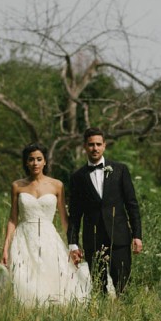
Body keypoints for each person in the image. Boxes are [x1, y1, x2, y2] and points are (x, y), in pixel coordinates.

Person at [1, 143, 91, 306]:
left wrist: (73, 246)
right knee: (24, 276)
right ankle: (25, 311)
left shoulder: (57, 185)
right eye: (31, 160)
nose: (35, 163)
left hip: (49, 237)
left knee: (53, 274)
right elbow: (13, 219)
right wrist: (6, 247)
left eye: (39, 159)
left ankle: (50, 307)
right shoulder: (17, 185)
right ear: (26, 162)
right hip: (24, 237)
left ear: (45, 162)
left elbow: (64, 218)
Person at [67, 127, 143, 296]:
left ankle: (124, 318)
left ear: (104, 146)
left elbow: (132, 205)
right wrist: (73, 244)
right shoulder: (77, 177)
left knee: (123, 286)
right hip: (93, 240)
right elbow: (75, 214)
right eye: (91, 144)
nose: (95, 148)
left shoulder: (120, 170)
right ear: (85, 147)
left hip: (120, 237)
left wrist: (137, 235)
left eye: (98, 144)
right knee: (99, 289)